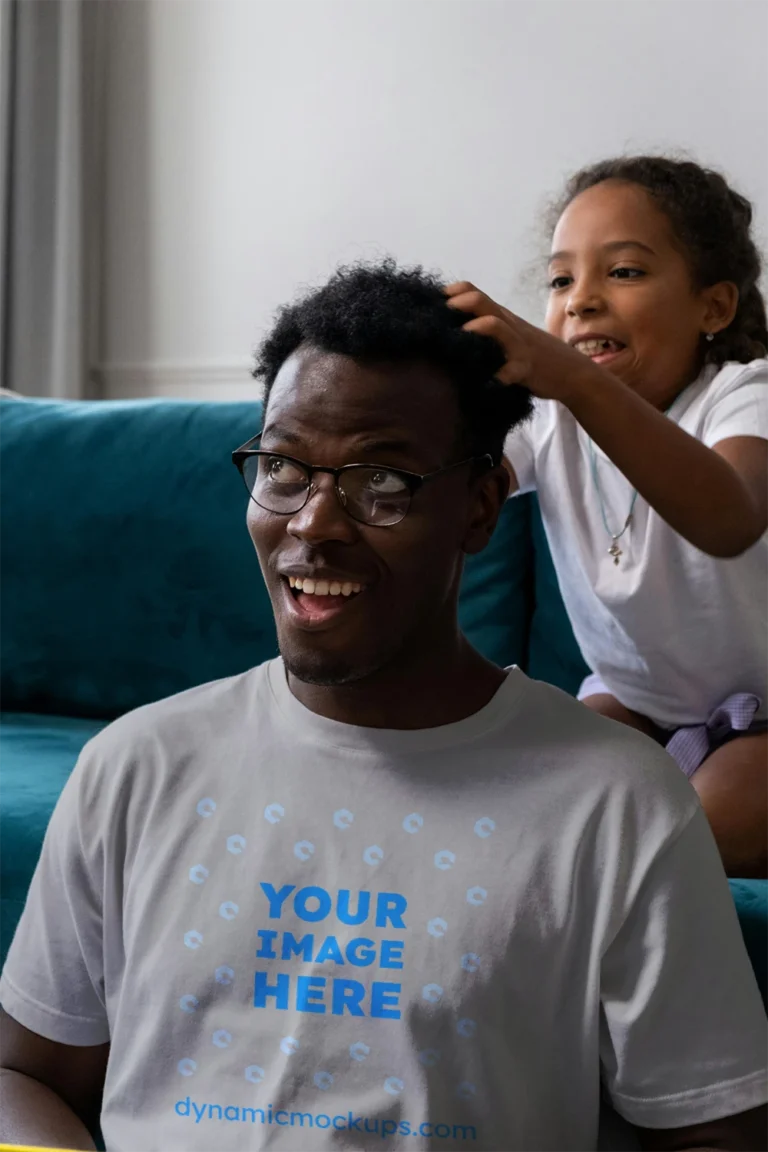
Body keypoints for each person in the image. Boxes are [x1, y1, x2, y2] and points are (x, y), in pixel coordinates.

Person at [1, 261, 768, 1152]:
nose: (315, 522)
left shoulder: (617, 804)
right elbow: (24, 1074)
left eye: (382, 483)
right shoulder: (135, 767)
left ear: (481, 507)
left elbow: (718, 1135)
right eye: (284, 467)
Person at [446, 156, 768, 879]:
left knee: (697, 834)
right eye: (561, 280)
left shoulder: (745, 395)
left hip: (766, 720)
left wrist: (573, 380)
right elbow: (462, 486)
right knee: (529, 807)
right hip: (638, 702)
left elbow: (731, 518)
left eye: (622, 272)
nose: (580, 300)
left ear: (712, 308)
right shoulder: (547, 416)